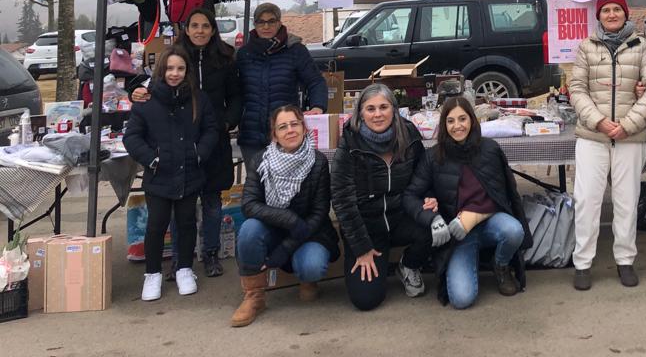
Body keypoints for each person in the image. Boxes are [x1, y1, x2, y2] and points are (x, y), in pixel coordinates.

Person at [131, 7, 243, 277]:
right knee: (180, 206)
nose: (200, 31)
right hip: (177, 142)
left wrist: (226, 122)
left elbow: (237, 97)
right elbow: (155, 85)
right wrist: (138, 92)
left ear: (213, 30)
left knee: (212, 203)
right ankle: (181, 262)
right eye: (195, 26)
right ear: (187, 29)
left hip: (213, 140)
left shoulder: (226, 58)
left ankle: (211, 254)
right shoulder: (177, 57)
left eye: (206, 26)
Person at [568, 0, 646, 291]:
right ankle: (582, 262)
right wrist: (599, 122)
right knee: (586, 200)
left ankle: (625, 259)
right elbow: (577, 88)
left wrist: (628, 125)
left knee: (626, 200)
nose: (611, 15)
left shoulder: (642, 46)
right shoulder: (586, 47)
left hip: (630, 137)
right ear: (599, 15)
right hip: (593, 136)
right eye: (606, 10)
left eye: (616, 10)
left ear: (625, 13)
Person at [403, 96, 532, 309]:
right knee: (461, 299)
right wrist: (432, 217)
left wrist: (474, 216)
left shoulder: (490, 149)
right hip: (457, 234)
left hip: (489, 223)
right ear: (444, 125)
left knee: (513, 230)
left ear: (472, 120)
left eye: (462, 119)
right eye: (451, 121)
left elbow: (505, 195)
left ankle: (500, 266)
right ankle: (465, 263)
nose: (457, 126)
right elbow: (411, 195)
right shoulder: (433, 157)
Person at [123, 44, 218, 302]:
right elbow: (132, 137)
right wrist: (152, 159)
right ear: (161, 70)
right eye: (170, 68)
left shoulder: (199, 99)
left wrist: (200, 153)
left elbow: (211, 130)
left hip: (190, 173)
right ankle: (152, 273)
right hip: (159, 176)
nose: (174, 73)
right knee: (156, 225)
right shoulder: (146, 100)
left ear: (187, 71)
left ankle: (184, 268)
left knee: (187, 223)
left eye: (180, 68)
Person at [231, 105, 340, 327]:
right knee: (249, 230)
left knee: (312, 266)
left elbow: (319, 212)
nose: (289, 130)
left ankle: (307, 280)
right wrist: (289, 220)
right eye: (282, 126)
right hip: (274, 228)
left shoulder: (318, 162)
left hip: (309, 232)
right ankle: (254, 296)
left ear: (303, 127)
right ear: (275, 134)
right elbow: (249, 205)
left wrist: (285, 248)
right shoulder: (261, 160)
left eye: (294, 124)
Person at [331, 83, 433, 311]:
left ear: (394, 110)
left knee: (436, 222)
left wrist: (429, 197)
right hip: (367, 228)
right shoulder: (350, 141)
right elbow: (342, 200)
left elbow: (424, 177)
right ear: (361, 113)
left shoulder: (409, 135)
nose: (377, 114)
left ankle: (408, 265)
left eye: (383, 107)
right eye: (370, 108)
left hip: (401, 217)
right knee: (366, 300)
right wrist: (361, 248)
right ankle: (375, 258)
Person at [236, 3, 327, 167]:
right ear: (254, 24)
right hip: (252, 135)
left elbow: (315, 81)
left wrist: (318, 106)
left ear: (279, 23)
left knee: (288, 186)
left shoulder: (295, 50)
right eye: (260, 22)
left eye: (271, 21)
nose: (266, 26)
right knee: (256, 187)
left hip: (287, 133)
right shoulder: (244, 54)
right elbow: (234, 91)